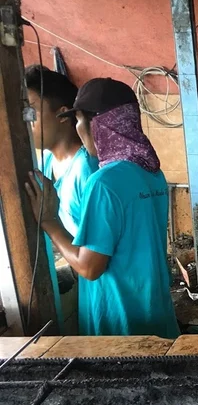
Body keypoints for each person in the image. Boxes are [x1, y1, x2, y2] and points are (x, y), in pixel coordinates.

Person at [25, 78, 181, 339]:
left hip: (120, 319)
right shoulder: (151, 171)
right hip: (155, 310)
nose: (78, 129)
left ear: (98, 124)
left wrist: (50, 222)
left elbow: (89, 268)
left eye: (79, 121)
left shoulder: (104, 181)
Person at [25, 65, 99, 237]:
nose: (26, 121)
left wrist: (48, 222)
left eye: (32, 112)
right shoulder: (46, 160)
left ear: (63, 115)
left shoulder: (87, 171)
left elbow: (94, 260)